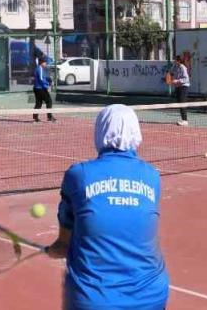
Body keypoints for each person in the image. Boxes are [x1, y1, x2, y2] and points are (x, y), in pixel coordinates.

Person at [47, 104, 169, 310]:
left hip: (94, 300)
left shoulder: (78, 175)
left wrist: (53, 250)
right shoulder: (152, 176)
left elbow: (63, 245)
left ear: (100, 131)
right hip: (152, 296)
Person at [32, 55, 56, 123]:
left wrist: (49, 80)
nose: (46, 64)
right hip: (40, 89)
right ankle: (49, 117)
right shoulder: (40, 68)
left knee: (39, 103)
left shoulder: (39, 68)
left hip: (37, 88)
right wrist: (48, 85)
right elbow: (41, 79)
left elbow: (43, 78)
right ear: (41, 63)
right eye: (45, 62)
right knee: (49, 101)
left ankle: (35, 118)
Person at [168, 55, 189, 126]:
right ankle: (183, 119)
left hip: (183, 87)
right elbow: (170, 73)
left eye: (175, 60)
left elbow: (186, 79)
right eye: (174, 60)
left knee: (182, 103)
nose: (174, 61)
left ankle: (185, 120)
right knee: (180, 103)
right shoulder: (175, 67)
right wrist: (169, 78)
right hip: (178, 87)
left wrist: (177, 81)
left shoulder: (183, 67)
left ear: (178, 61)